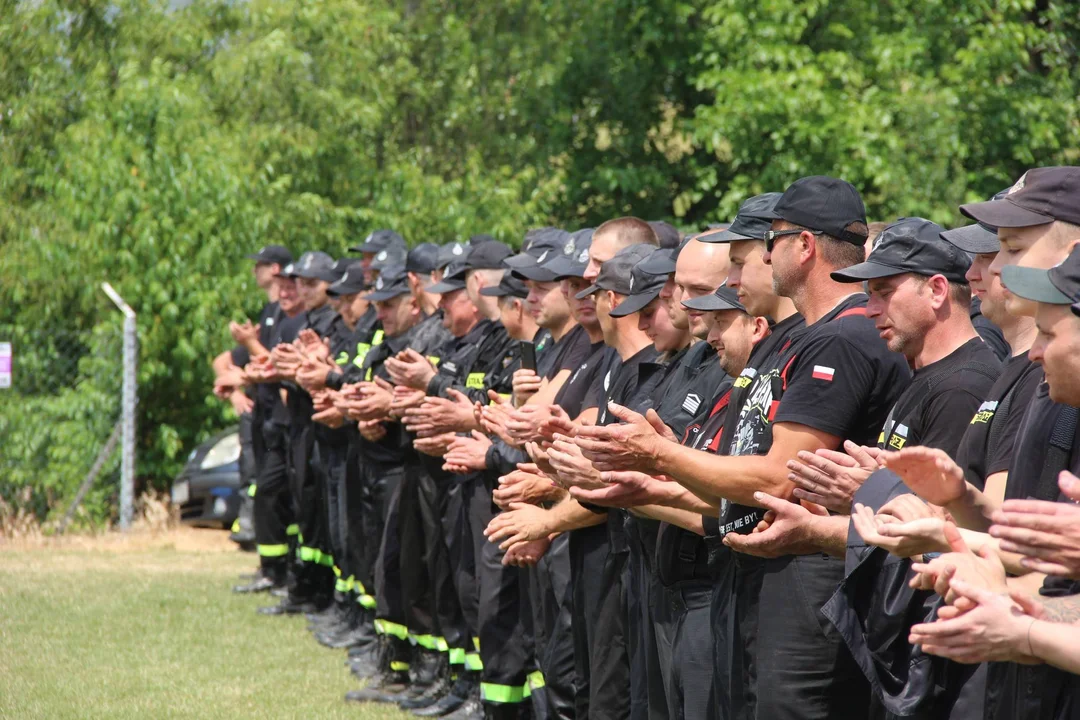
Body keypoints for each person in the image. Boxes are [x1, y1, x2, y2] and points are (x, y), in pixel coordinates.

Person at [573, 176, 911, 719]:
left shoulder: (841, 338)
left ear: (803, 247)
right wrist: (658, 476)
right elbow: (741, 484)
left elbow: (779, 478)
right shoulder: (804, 337)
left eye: (755, 252)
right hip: (769, 573)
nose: (732, 279)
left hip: (813, 580)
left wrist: (660, 458)